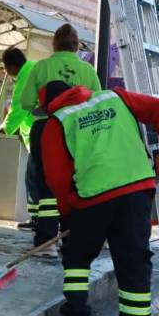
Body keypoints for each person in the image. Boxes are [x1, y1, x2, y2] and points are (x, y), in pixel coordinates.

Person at [38, 80, 159, 316]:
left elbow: (57, 178)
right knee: (134, 267)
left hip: (91, 200)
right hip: (135, 195)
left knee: (77, 261)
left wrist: (68, 213)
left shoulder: (57, 122)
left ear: (48, 104)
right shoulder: (115, 98)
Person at [19, 23, 101, 255]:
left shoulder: (42, 66)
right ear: (77, 46)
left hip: (46, 127)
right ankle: (71, 239)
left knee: (45, 183)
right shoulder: (87, 70)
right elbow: (97, 101)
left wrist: (44, 105)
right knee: (73, 182)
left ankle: (46, 242)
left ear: (54, 44)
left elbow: (25, 102)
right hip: (77, 130)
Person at [0, 47, 37, 230]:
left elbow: (18, 111)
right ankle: (42, 221)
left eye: (4, 68)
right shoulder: (34, 68)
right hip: (44, 133)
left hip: (38, 134)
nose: (5, 73)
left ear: (12, 66)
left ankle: (38, 221)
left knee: (33, 179)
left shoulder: (24, 79)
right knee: (38, 179)